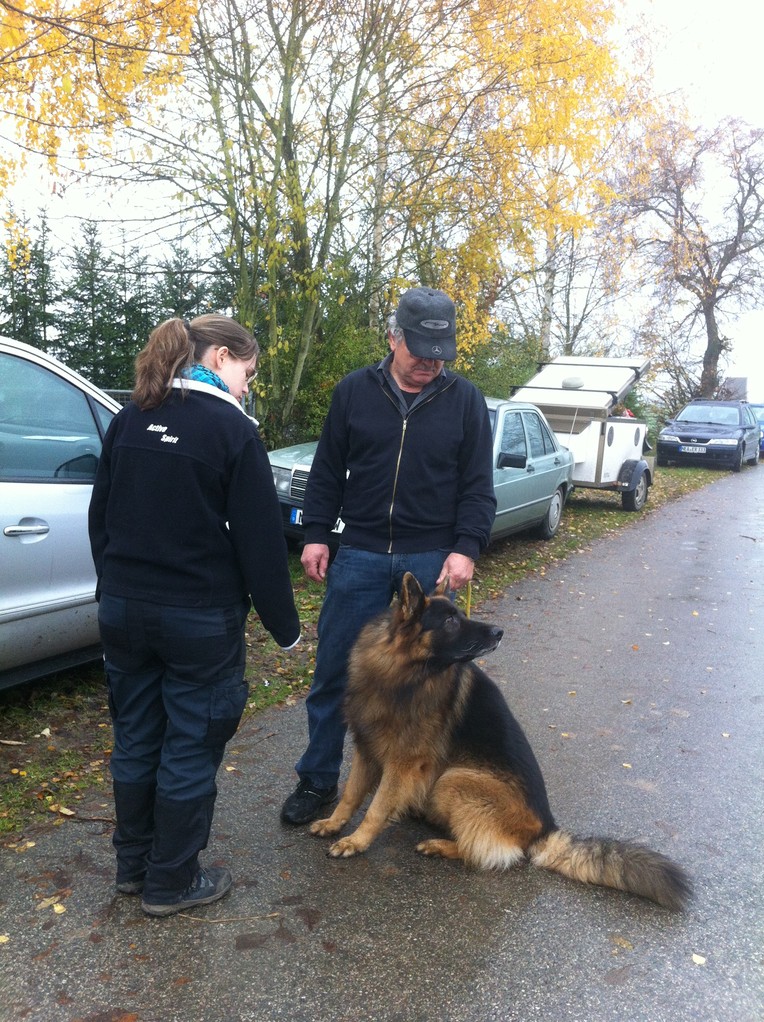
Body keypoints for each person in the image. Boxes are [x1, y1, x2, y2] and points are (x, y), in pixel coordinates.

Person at [89, 315, 300, 917]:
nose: (247, 386)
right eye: (248, 372)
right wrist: (284, 628)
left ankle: (134, 867)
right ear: (220, 354)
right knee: (189, 744)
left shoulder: (130, 419)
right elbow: (260, 541)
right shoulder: (231, 432)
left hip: (124, 612)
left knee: (135, 737)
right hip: (198, 620)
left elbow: (100, 516)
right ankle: (172, 880)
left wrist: (117, 589)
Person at [281, 286, 496, 825]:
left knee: (424, 688)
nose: (431, 363)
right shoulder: (354, 392)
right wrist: (315, 533)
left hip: (429, 563)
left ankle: (410, 787)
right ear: (393, 336)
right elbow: (327, 470)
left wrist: (466, 547)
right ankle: (317, 780)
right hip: (358, 555)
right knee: (337, 675)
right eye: (421, 350)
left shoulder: (466, 401)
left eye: (441, 354)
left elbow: (478, 485)